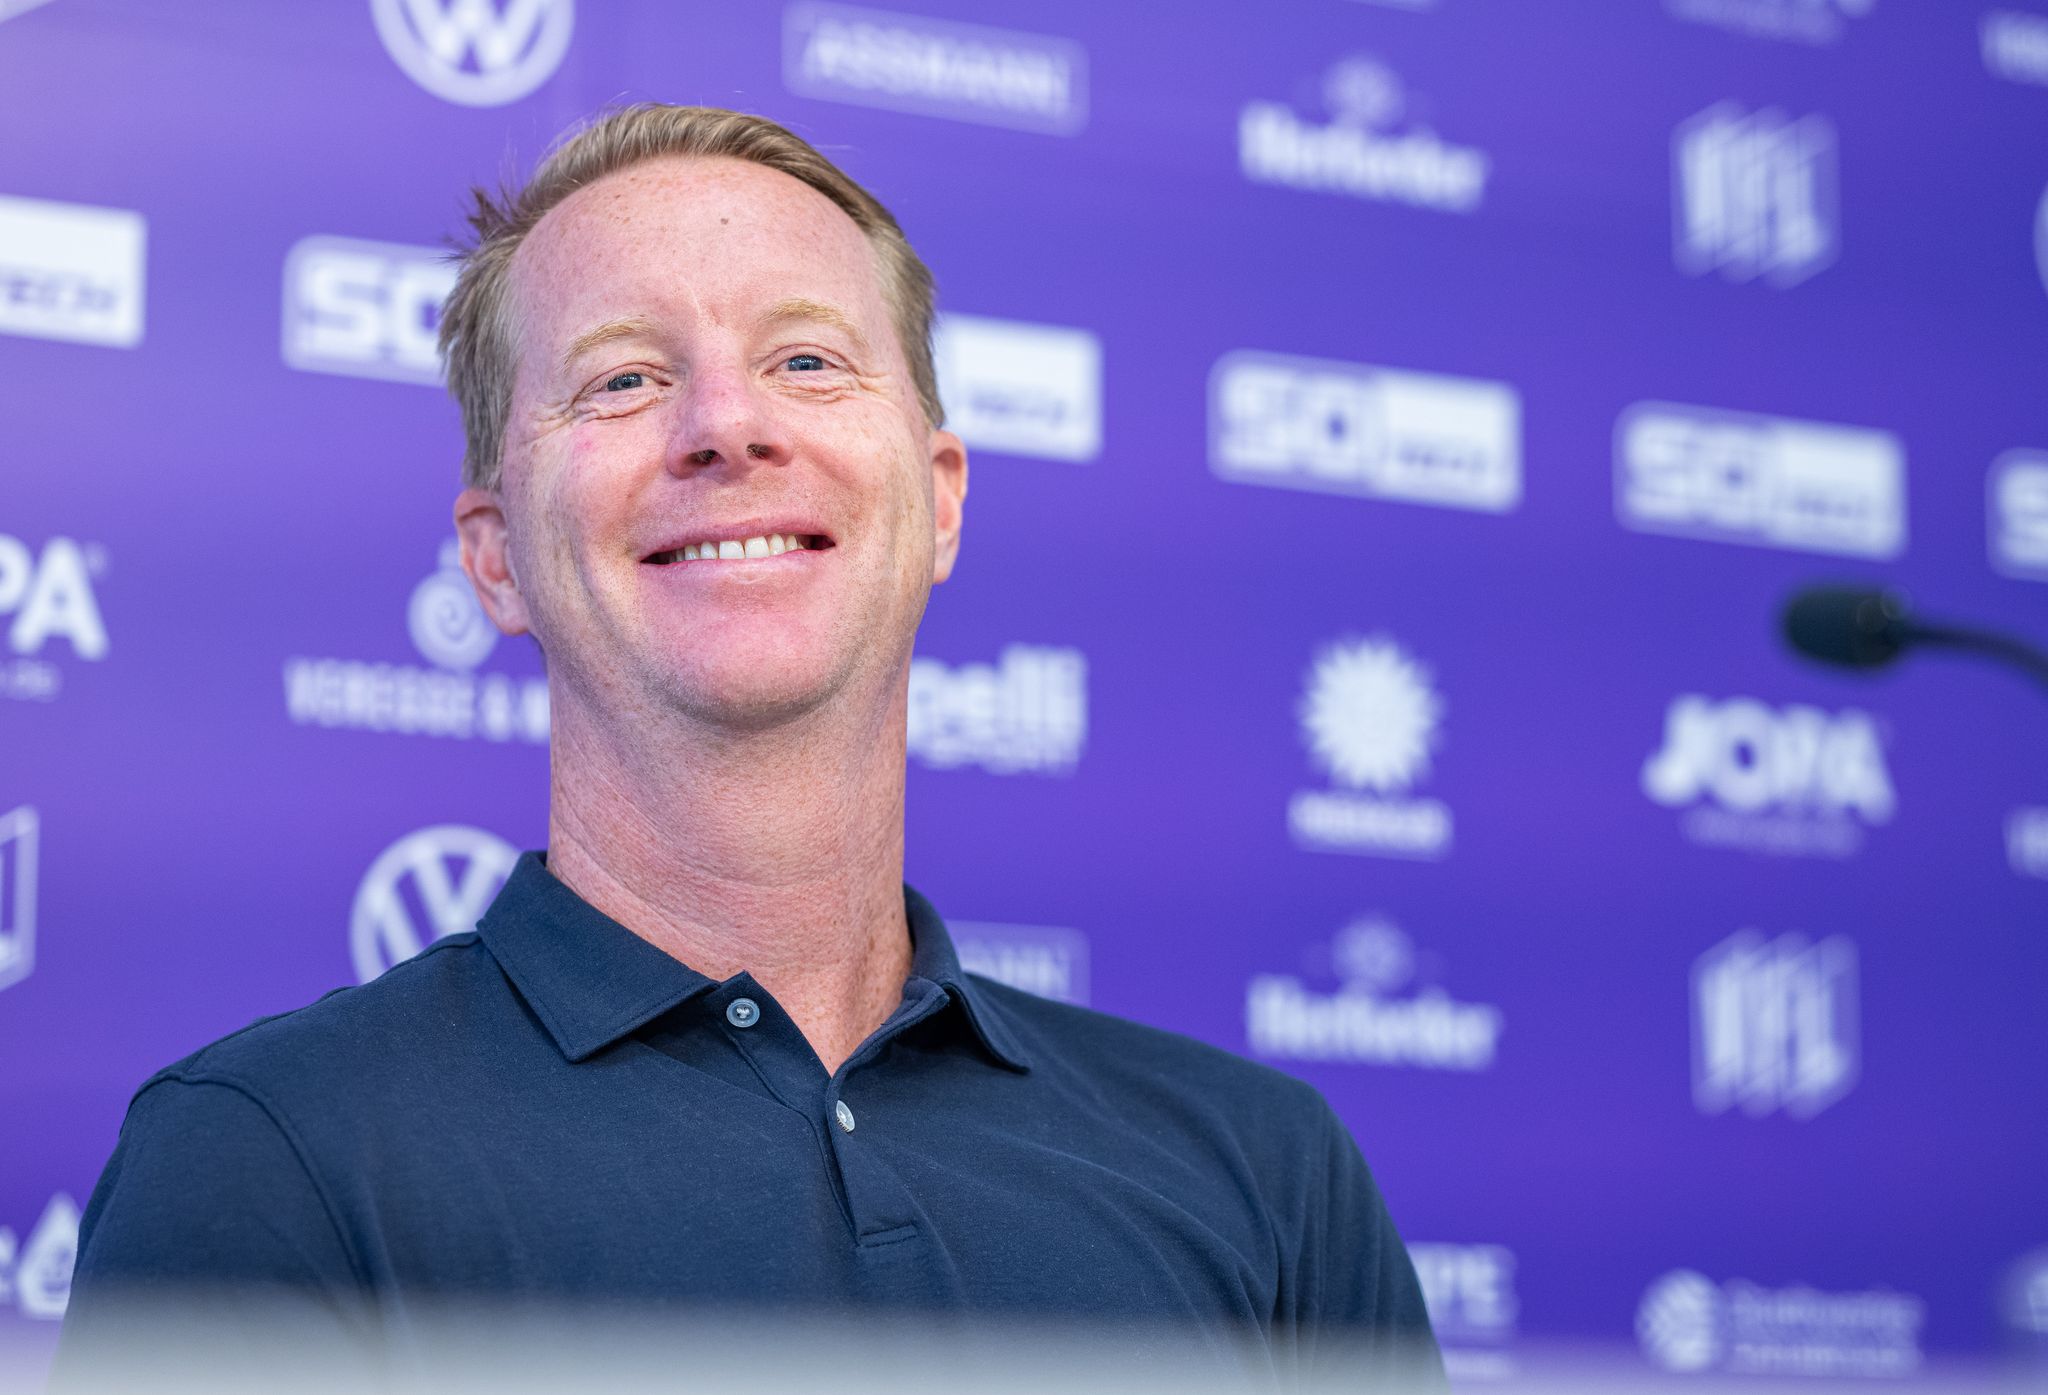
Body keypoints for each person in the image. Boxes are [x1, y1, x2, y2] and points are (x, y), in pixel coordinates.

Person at [56, 105, 1444, 1391]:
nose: (727, 425)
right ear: (495, 559)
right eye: (622, 378)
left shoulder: (1267, 1173)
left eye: (807, 360)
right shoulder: (266, 1159)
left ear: (940, 502)